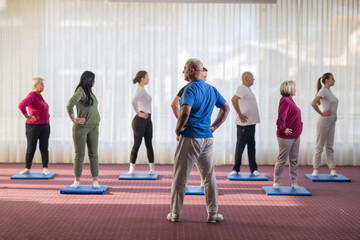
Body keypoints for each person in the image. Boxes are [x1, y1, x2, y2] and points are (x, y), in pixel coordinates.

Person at [167, 58, 230, 223]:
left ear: (192, 70)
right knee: (209, 177)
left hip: (190, 138)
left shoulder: (190, 88)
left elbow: (185, 110)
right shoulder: (211, 89)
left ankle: (175, 214)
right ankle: (213, 214)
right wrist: (214, 126)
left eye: (185, 68)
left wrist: (178, 128)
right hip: (207, 138)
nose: (183, 71)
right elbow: (226, 108)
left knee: (180, 177)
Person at [170, 67, 208, 187]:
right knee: (184, 161)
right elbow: (173, 104)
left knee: (200, 161)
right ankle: (182, 184)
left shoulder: (207, 89)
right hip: (188, 131)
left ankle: (203, 181)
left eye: (206, 77)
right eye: (204, 76)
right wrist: (181, 122)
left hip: (202, 132)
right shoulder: (188, 88)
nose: (205, 79)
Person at [66, 71, 101, 188]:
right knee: (80, 155)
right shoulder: (80, 91)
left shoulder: (89, 92)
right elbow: (69, 104)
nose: (94, 82)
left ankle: (95, 181)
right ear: (89, 80)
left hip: (94, 127)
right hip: (81, 128)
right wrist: (74, 119)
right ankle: (77, 181)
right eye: (93, 80)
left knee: (93, 154)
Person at [229, 72, 261, 176]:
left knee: (252, 146)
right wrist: (239, 114)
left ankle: (253, 169)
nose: (254, 79)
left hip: (251, 123)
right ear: (247, 79)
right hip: (244, 124)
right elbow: (233, 99)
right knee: (240, 146)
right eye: (252, 78)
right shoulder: (242, 88)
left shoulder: (247, 90)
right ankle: (235, 169)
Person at [273, 80, 303, 189]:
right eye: (294, 88)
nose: (295, 90)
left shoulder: (291, 100)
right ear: (289, 89)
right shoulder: (285, 100)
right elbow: (281, 117)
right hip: (286, 137)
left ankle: (294, 182)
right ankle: (276, 181)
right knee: (282, 159)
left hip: (295, 135)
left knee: (294, 160)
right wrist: (283, 128)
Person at [18, 77, 50, 175]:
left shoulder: (39, 96)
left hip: (45, 125)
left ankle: (45, 168)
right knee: (31, 147)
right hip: (33, 127)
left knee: (44, 147)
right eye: (41, 84)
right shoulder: (32, 95)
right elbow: (21, 105)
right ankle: (27, 168)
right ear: (35, 85)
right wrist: (27, 116)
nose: (43, 86)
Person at [311, 73, 338, 176]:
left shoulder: (329, 91)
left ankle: (332, 168)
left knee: (330, 145)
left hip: (332, 120)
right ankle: (315, 169)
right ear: (326, 80)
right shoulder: (323, 91)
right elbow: (313, 103)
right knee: (320, 145)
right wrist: (322, 113)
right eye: (332, 79)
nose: (334, 81)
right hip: (325, 120)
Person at [129, 70, 155, 175]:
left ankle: (152, 168)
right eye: (147, 77)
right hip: (139, 121)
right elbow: (133, 101)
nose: (148, 79)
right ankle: (131, 168)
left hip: (148, 120)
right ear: (142, 79)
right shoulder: (140, 90)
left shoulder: (142, 90)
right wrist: (138, 113)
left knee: (149, 144)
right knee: (137, 144)